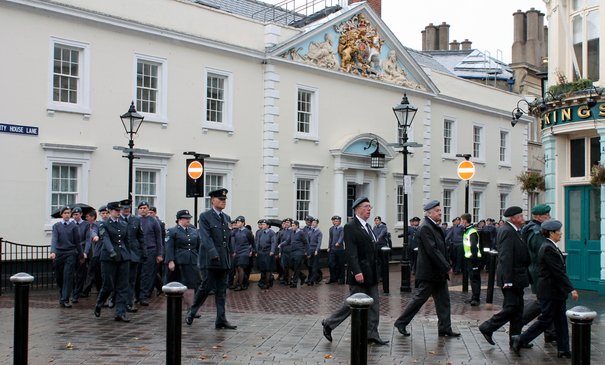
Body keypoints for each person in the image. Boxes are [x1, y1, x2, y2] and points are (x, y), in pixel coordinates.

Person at [322, 196, 389, 346]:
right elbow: (351, 252)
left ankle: (372, 334)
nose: (369, 209)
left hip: (371, 272)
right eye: (366, 207)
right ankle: (329, 323)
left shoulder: (368, 226)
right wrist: (357, 271)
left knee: (374, 304)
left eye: (370, 207)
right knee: (352, 304)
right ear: (357, 209)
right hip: (359, 273)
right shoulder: (350, 226)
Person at [511, 219, 578, 358]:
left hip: (555, 291)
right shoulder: (548, 248)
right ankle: (520, 339)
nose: (560, 233)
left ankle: (563, 349)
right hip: (549, 291)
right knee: (546, 319)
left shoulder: (551, 246)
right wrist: (571, 289)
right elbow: (558, 272)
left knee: (560, 320)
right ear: (551, 233)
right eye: (558, 231)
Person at [394, 200, 460, 338]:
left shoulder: (435, 226)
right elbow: (433, 250)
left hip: (438, 273)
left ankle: (445, 328)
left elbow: (441, 249)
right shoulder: (425, 228)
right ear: (429, 213)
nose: (440, 212)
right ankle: (401, 322)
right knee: (419, 299)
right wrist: (446, 266)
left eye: (440, 210)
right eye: (437, 211)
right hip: (429, 272)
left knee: (444, 301)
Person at [479, 206, 530, 347]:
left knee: (518, 308)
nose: (522, 218)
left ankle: (516, 339)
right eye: (520, 216)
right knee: (512, 307)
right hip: (511, 277)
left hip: (517, 276)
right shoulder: (507, 231)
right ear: (512, 218)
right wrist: (507, 280)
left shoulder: (516, 231)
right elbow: (505, 256)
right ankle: (488, 327)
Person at [186, 188, 236, 330]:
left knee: (222, 291)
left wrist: (230, 254)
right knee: (206, 287)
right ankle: (192, 311)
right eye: (220, 199)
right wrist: (214, 253)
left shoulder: (226, 218)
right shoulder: (205, 216)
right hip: (211, 259)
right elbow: (205, 237)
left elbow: (228, 239)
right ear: (212, 200)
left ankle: (221, 319)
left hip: (224, 260)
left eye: (225, 200)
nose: (223, 202)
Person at [521, 204, 556, 342]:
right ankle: (519, 320)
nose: (549, 217)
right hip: (540, 270)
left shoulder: (534, 229)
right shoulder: (536, 232)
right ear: (539, 217)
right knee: (543, 302)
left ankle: (551, 332)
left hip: (538, 269)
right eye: (547, 215)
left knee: (549, 301)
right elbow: (542, 252)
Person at [94, 201, 132, 322]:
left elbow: (127, 241)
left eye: (119, 210)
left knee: (122, 285)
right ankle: (99, 303)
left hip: (123, 257)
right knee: (108, 284)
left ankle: (120, 312)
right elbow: (105, 239)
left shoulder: (123, 223)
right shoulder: (103, 224)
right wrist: (111, 251)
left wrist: (129, 254)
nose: (118, 213)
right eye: (116, 211)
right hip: (108, 258)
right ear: (110, 211)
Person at [164, 209, 202, 308]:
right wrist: (170, 261)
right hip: (179, 260)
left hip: (192, 260)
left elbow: (198, 246)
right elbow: (169, 247)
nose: (188, 220)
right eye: (185, 218)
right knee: (178, 282)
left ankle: (191, 306)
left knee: (191, 282)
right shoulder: (172, 231)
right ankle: (177, 305)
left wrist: (199, 258)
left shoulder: (194, 231)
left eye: (189, 218)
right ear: (179, 219)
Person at [50, 206, 83, 308]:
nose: (67, 215)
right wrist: (53, 251)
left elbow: (78, 242)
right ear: (61, 215)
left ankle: (65, 299)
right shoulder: (56, 226)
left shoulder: (74, 226)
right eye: (65, 213)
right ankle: (62, 296)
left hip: (70, 253)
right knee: (60, 277)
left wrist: (81, 254)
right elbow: (54, 239)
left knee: (68, 276)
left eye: (69, 213)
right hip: (59, 254)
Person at [136, 201, 163, 306]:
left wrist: (159, 254)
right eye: (141, 208)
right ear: (138, 209)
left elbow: (158, 238)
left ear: (148, 209)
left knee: (147, 275)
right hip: (138, 250)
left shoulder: (153, 221)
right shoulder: (135, 220)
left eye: (145, 207)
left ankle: (144, 296)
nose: (143, 209)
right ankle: (137, 295)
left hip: (151, 250)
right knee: (137, 274)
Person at [461, 213, 481, 306]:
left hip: (474, 259)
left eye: (461, 220)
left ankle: (476, 299)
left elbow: (474, 246)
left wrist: (473, 258)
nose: (461, 222)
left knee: (475, 279)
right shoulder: (467, 231)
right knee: (472, 278)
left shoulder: (471, 231)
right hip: (469, 258)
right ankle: (473, 296)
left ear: (465, 221)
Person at [71, 206, 90, 303]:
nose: (75, 216)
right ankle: (73, 291)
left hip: (81, 251)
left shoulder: (86, 225)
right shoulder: (70, 224)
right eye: (73, 214)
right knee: (72, 274)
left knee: (80, 274)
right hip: (72, 251)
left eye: (77, 214)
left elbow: (87, 239)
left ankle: (76, 294)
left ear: (81, 215)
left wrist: (85, 252)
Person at [256, 218, 276, 289]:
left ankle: (267, 283)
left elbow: (273, 242)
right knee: (262, 268)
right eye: (262, 224)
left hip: (268, 252)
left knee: (268, 268)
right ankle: (263, 281)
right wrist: (256, 251)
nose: (262, 225)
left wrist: (272, 251)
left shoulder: (272, 233)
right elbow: (257, 242)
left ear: (268, 225)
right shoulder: (260, 232)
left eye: (264, 224)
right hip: (261, 252)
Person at [289, 220, 308, 288]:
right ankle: (302, 276)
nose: (292, 227)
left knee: (297, 267)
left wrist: (305, 251)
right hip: (293, 252)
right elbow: (288, 240)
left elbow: (305, 242)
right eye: (292, 225)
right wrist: (281, 244)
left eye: (293, 225)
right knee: (291, 265)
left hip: (299, 252)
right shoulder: (292, 232)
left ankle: (294, 282)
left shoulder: (301, 233)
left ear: (297, 226)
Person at [326, 215, 345, 284]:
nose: (335, 222)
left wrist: (338, 242)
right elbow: (330, 238)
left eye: (337, 221)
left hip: (340, 249)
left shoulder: (342, 229)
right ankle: (333, 278)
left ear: (340, 222)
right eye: (335, 221)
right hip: (332, 249)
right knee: (331, 264)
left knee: (340, 264)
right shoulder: (331, 229)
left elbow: (341, 236)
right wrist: (328, 247)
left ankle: (341, 279)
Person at [277, 218, 293, 285]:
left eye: (288, 222)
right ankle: (285, 278)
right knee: (284, 266)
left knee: (290, 266)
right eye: (286, 222)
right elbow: (280, 242)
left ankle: (289, 280)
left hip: (290, 251)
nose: (286, 223)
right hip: (283, 251)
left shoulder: (292, 231)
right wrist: (280, 251)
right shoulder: (283, 231)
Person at [306, 218, 323, 285]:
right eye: (312, 223)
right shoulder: (309, 232)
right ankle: (311, 278)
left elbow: (319, 242)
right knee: (309, 265)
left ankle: (312, 280)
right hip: (310, 250)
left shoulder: (319, 232)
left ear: (317, 224)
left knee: (314, 266)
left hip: (316, 250)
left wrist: (316, 250)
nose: (313, 224)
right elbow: (308, 242)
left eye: (315, 223)